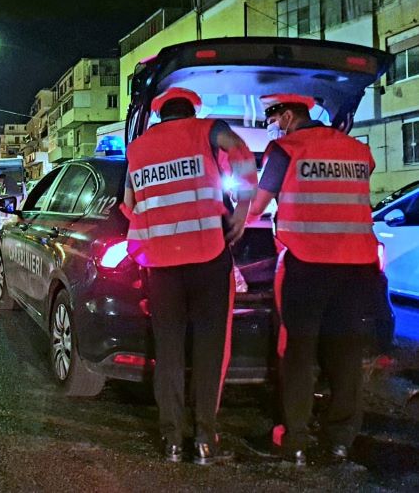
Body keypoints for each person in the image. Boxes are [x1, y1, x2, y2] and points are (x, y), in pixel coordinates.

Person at [121, 87, 257, 464]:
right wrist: (243, 209)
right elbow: (242, 154)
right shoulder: (207, 131)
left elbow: (130, 206)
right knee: (210, 349)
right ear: (192, 111)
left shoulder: (138, 149)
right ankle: (204, 440)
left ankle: (172, 441)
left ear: (161, 114)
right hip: (208, 257)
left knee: (168, 351)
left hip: (162, 265)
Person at [248, 93, 379, 466]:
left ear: (287, 115)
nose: (272, 127)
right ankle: (340, 441)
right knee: (345, 353)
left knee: (299, 353)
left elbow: (258, 205)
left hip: (307, 263)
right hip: (357, 267)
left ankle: (296, 440)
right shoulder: (356, 150)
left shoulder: (286, 149)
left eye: (273, 119)